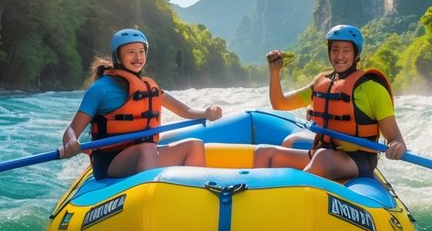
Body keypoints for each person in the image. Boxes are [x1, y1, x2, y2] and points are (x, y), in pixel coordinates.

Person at [57, 28, 223, 179]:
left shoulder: (148, 86)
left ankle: (191, 197)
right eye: (131, 52)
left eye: (141, 51)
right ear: (117, 56)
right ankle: (149, 199)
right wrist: (71, 142)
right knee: (147, 148)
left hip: (145, 154)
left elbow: (185, 111)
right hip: (110, 160)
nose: (138, 57)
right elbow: (71, 130)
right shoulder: (100, 89)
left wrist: (206, 113)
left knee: (194, 145)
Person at [255, 24, 406, 178]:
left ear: (356, 53)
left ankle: (292, 191)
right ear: (329, 52)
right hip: (324, 153)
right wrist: (274, 72)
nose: (340, 56)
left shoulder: (372, 89)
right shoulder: (321, 83)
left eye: (346, 50)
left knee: (322, 158)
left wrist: (396, 146)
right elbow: (280, 103)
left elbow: (395, 139)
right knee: (262, 153)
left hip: (357, 159)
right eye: (335, 50)